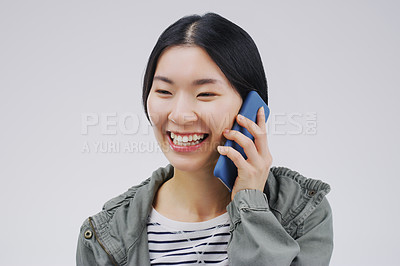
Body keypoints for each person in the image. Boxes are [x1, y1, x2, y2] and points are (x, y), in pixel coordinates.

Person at [76, 12, 333, 266]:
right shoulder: (104, 239)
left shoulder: (302, 214)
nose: (180, 115)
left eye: (205, 94)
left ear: (252, 107)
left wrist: (251, 205)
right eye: (164, 91)